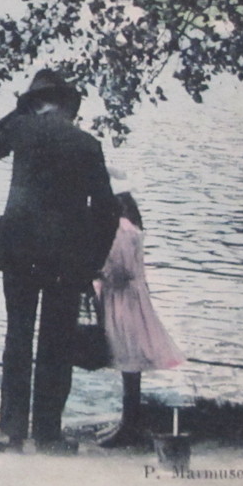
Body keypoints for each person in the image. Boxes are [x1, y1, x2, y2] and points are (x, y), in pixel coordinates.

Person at [0, 69, 120, 452]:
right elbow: (108, 210)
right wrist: (92, 259)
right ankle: (48, 434)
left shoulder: (22, 130)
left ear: (34, 103)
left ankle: (11, 431)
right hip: (66, 260)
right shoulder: (87, 144)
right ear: (68, 106)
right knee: (56, 344)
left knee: (18, 338)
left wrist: (17, 109)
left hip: (19, 253)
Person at [94, 177, 184, 448]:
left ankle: (129, 426)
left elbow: (117, 272)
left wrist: (95, 272)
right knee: (129, 363)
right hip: (131, 298)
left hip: (122, 301)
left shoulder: (119, 231)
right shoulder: (131, 227)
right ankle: (128, 421)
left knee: (128, 359)